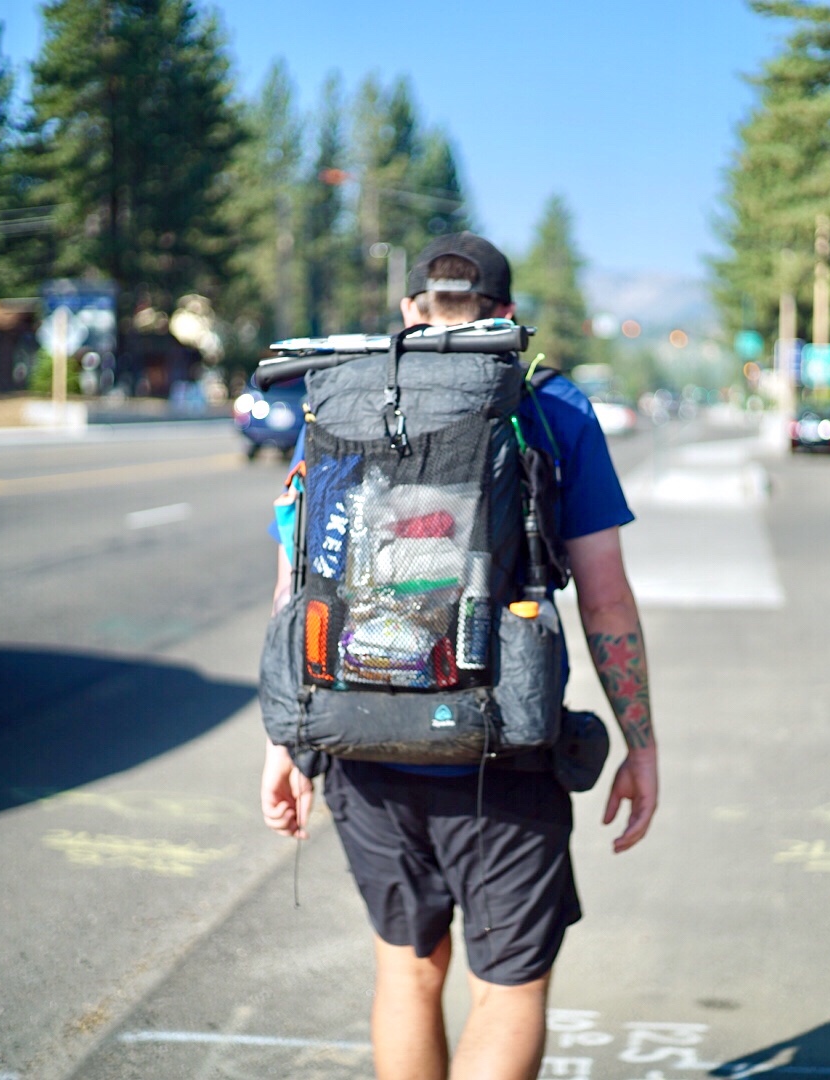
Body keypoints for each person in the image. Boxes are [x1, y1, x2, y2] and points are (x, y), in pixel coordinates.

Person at [260, 231, 657, 1080]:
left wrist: (282, 741)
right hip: (503, 747)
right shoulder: (554, 407)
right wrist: (642, 745)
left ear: (409, 312)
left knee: (406, 971)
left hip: (356, 734)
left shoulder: (343, 403)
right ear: (507, 316)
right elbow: (606, 598)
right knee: (507, 991)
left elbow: (297, 582)